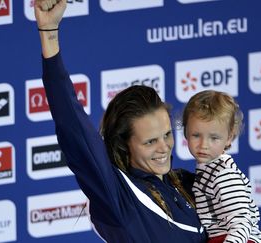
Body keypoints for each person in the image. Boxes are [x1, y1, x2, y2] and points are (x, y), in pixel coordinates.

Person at [33, 0, 207, 242]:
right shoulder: (118, 198)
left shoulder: (187, 183)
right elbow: (72, 125)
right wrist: (49, 34)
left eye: (167, 135)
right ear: (125, 144)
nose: (164, 147)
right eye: (150, 142)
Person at [182, 90, 261, 243]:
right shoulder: (208, 169)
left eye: (214, 138)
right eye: (196, 135)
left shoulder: (223, 175)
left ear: (229, 138)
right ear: (185, 132)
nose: (203, 145)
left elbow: (242, 222)